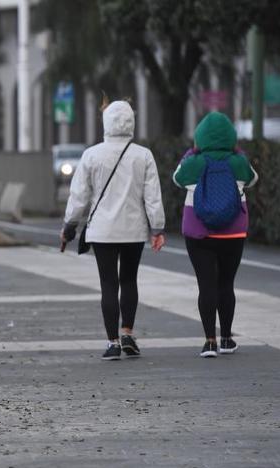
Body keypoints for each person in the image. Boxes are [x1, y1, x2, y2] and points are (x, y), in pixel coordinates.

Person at [60, 100, 166, 361]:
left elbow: (79, 196)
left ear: (106, 122)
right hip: (133, 230)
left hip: (103, 232)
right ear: (131, 122)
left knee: (108, 285)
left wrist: (69, 226)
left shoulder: (92, 155)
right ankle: (128, 332)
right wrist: (157, 228)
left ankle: (112, 342)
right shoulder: (143, 155)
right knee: (129, 280)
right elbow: (153, 197)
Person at [173, 112, 258, 358]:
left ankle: (209, 341)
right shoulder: (238, 162)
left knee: (206, 284)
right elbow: (253, 179)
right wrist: (238, 153)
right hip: (233, 233)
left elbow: (177, 179)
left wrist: (192, 153)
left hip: (199, 233)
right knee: (226, 284)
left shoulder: (194, 163)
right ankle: (227, 339)